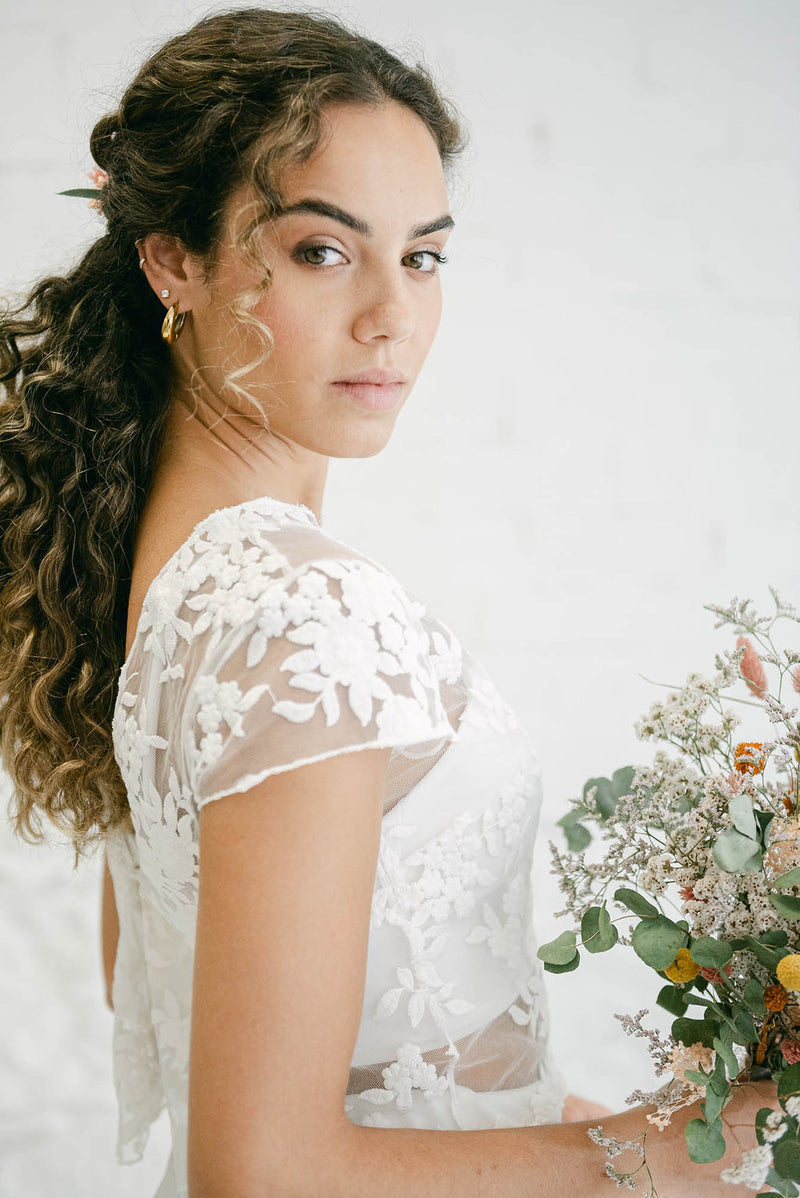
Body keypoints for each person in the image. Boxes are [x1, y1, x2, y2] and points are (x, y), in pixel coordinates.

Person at [0, 8, 778, 1197]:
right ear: (174, 260)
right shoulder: (296, 612)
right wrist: (676, 1150)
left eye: (420, 256)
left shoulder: (164, 582)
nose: (391, 315)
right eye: (322, 250)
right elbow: (260, 1170)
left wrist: (603, 1125)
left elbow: (176, 991)